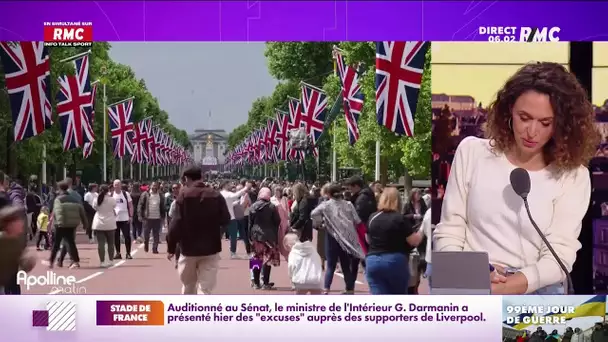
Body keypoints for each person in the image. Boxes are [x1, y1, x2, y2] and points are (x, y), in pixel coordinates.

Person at [434, 62, 599, 295]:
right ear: (509, 110)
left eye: (545, 123)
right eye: (524, 117)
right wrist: (472, 274)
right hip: (469, 278)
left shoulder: (574, 175)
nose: (532, 131)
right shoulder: (472, 152)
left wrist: (513, 285)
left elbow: (559, 255)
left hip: (535, 288)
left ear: (562, 125)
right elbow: (449, 231)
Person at [167, 166, 230, 295]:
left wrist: (171, 247)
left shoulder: (183, 195)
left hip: (188, 248)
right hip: (211, 248)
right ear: (202, 177)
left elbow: (175, 223)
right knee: (205, 289)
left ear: (186, 179)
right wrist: (217, 232)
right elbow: (226, 219)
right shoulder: (215, 195)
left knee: (188, 286)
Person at [365, 187, 423, 294]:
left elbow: (368, 239)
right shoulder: (399, 218)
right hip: (394, 260)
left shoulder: (372, 217)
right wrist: (422, 231)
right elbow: (414, 241)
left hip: (373, 260)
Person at [311, 183, 365, 294]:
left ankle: (326, 288)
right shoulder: (348, 204)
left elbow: (314, 213)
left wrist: (320, 223)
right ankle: (349, 288)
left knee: (330, 264)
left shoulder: (326, 205)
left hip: (331, 236)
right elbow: (357, 220)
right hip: (346, 237)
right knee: (345, 264)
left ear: (329, 194)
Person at [48, 181, 87, 269]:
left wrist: (58, 223)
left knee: (56, 244)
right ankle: (76, 261)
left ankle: (51, 262)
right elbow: (82, 211)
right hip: (72, 224)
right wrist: (85, 223)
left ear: (60, 189)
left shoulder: (58, 199)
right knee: (71, 243)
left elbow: (57, 212)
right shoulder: (74, 198)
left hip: (61, 224)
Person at [248, 187, 281, 290]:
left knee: (256, 259)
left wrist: (249, 235)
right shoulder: (272, 206)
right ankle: (265, 283)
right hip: (269, 236)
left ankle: (256, 282)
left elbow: (250, 223)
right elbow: (277, 220)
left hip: (256, 235)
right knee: (268, 259)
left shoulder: (253, 206)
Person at [219, 181, 251, 259]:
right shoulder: (228, 194)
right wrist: (246, 187)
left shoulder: (219, 194)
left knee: (218, 236)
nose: (230, 186)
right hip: (231, 218)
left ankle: (215, 253)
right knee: (233, 236)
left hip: (221, 218)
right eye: (228, 184)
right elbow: (236, 195)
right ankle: (233, 253)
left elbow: (228, 203)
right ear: (225, 185)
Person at [92, 184, 117, 267]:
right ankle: (111, 260)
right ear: (108, 191)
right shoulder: (112, 199)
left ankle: (102, 261)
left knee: (101, 243)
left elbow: (95, 208)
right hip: (110, 223)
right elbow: (114, 207)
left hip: (99, 223)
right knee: (111, 243)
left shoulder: (96, 200)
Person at [138, 181, 166, 254]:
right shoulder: (145, 194)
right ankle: (146, 243)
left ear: (158, 187)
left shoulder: (160, 195)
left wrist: (163, 216)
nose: (154, 187)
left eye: (155, 186)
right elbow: (140, 205)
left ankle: (155, 248)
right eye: (153, 186)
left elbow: (163, 206)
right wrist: (140, 215)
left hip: (157, 217)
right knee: (146, 234)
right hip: (147, 218)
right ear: (150, 186)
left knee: (156, 234)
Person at [111, 179, 133, 260]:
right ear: (113, 185)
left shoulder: (125, 194)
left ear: (121, 185)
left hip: (125, 218)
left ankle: (128, 253)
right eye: (115, 184)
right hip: (115, 219)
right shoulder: (111, 194)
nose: (116, 186)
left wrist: (130, 216)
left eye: (118, 184)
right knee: (116, 237)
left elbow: (130, 205)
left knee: (127, 236)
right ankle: (118, 253)